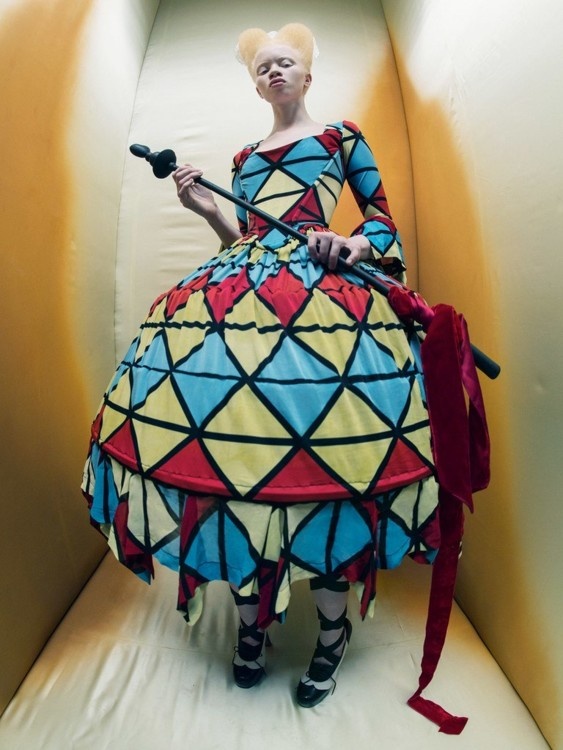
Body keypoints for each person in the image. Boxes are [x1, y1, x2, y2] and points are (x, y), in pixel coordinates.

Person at [82, 22, 441, 709]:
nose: (274, 72)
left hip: (321, 301)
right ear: (256, 86)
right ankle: (253, 625)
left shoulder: (340, 138)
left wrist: (350, 247)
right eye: (262, 68)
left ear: (307, 76)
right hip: (240, 297)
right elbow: (243, 239)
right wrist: (207, 209)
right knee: (234, 457)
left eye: (285, 63)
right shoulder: (244, 157)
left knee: (330, 463)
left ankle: (330, 634)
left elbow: (381, 222)